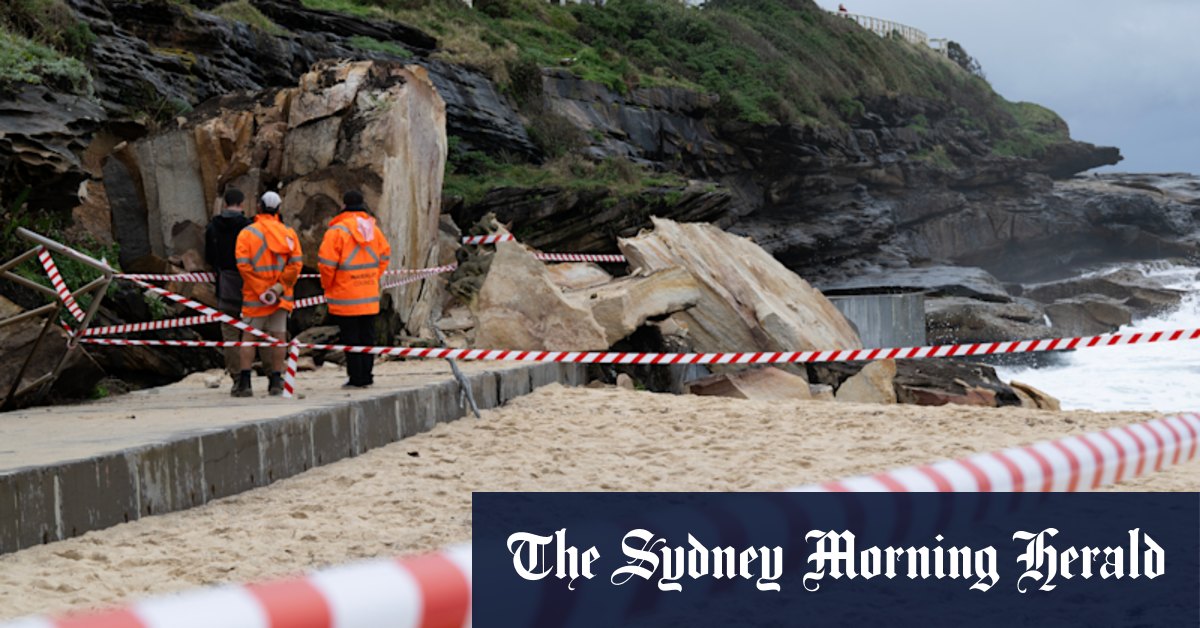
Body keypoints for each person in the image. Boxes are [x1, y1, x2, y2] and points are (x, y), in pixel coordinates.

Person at [232, 191, 303, 397]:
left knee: (249, 337)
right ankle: (276, 381)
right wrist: (277, 288)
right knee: (279, 337)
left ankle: (245, 383)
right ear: (279, 209)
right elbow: (296, 265)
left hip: (255, 296)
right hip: (281, 296)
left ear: (259, 207)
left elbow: (243, 265)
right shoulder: (289, 234)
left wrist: (261, 289)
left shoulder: (247, 234)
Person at [318, 190, 391, 389]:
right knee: (367, 337)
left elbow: (326, 265)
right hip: (368, 293)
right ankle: (367, 375)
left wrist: (328, 285)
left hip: (345, 295)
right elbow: (385, 255)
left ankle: (356, 377)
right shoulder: (373, 229)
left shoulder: (336, 231)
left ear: (343, 205)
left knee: (350, 338)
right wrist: (373, 276)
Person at [204, 188, 251, 392]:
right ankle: (271, 377)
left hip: (224, 285)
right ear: (242, 204)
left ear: (224, 204)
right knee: (253, 332)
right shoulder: (248, 227)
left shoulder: (213, 227)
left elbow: (209, 256)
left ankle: (237, 378)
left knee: (230, 333)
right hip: (249, 285)